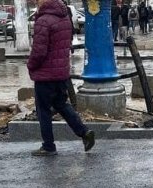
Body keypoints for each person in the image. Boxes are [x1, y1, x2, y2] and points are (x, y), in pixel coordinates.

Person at [27, 0, 95, 156]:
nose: (36, 2)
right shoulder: (64, 17)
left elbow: (39, 51)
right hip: (61, 73)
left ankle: (48, 146)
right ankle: (84, 132)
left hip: (45, 74)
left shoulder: (43, 20)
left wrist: (30, 65)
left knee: (43, 111)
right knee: (61, 104)